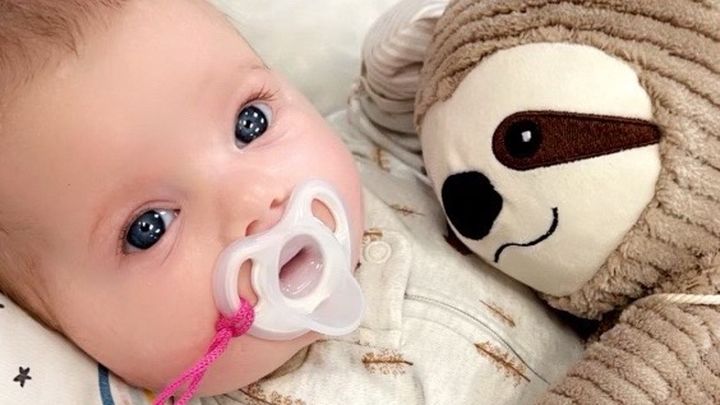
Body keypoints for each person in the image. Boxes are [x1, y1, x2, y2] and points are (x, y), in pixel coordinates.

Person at [0, 0, 583, 403]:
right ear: (55, 327)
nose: (255, 199)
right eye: (149, 227)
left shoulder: (378, 156)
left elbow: (422, 103)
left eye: (250, 122)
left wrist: (439, 47)